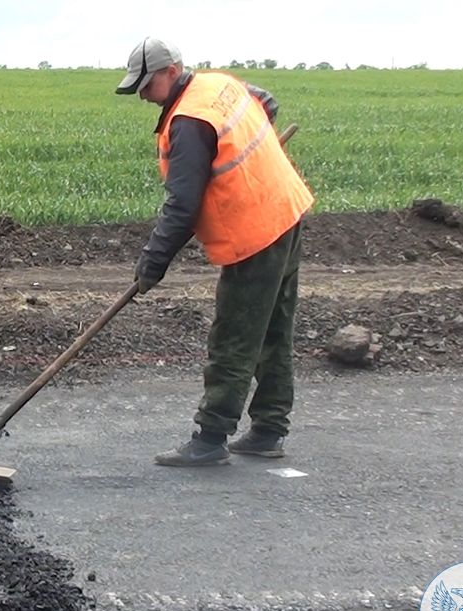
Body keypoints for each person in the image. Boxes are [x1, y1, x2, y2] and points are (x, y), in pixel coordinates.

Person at [114, 37, 314, 467]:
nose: (145, 96)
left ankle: (210, 438)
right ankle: (268, 430)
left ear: (172, 71)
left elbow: (182, 205)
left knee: (235, 337)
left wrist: (152, 263)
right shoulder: (219, 85)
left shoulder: (188, 122)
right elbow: (267, 101)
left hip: (255, 232)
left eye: (147, 85)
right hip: (286, 209)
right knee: (274, 330)